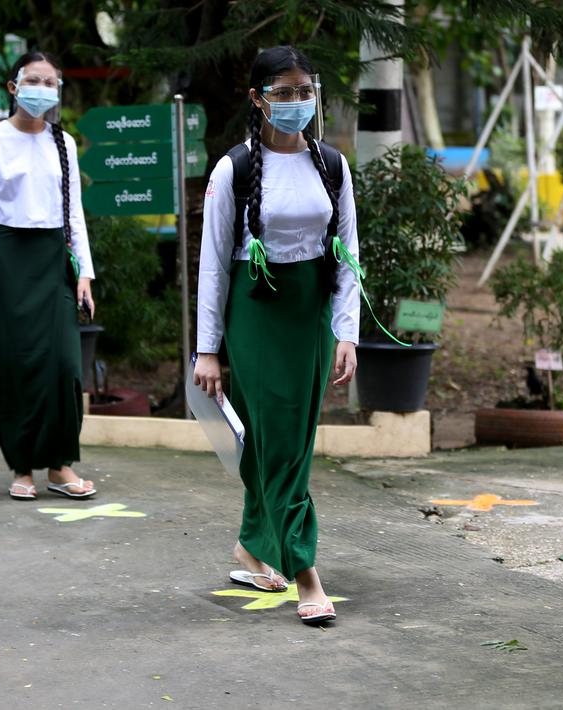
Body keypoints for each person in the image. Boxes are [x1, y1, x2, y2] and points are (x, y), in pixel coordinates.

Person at [192, 46, 360, 626]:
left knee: (277, 440)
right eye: (284, 92)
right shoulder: (232, 169)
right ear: (258, 98)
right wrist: (206, 349)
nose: (297, 102)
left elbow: (347, 257)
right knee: (285, 443)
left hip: (310, 315)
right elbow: (213, 264)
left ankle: (250, 543)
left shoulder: (332, 166)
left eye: (305, 91)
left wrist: (347, 332)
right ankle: (306, 574)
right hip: (256, 314)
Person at [0, 51, 96, 502]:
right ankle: (22, 466)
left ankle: (60, 465)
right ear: (14, 87)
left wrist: (85, 274)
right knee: (13, 365)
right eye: (33, 80)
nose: (43, 89)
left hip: (53, 260)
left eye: (51, 82)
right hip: (6, 261)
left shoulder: (64, 143)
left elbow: (75, 213)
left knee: (65, 366)